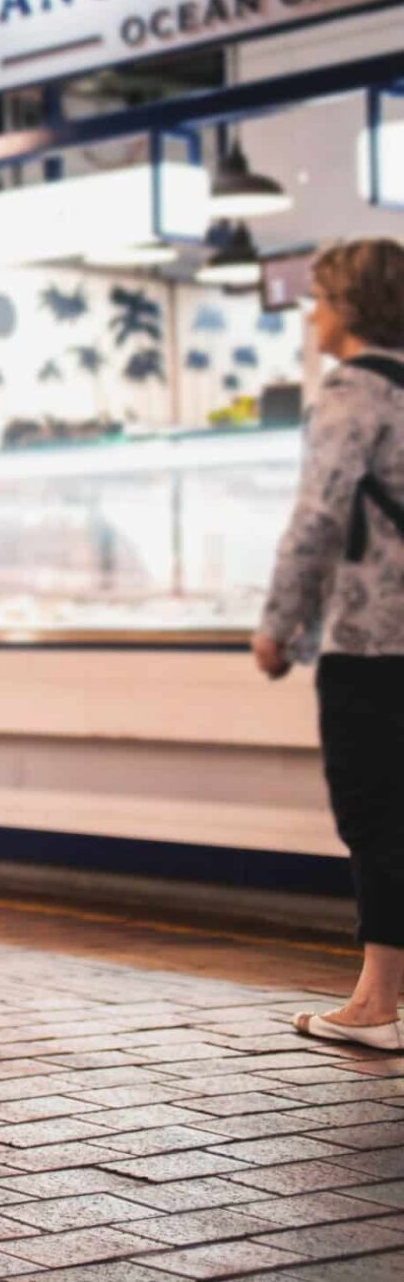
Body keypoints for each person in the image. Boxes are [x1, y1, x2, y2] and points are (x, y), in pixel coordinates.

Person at [258, 237, 404, 1051]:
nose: (310, 314)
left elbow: (316, 518)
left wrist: (278, 622)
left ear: (347, 307)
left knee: (375, 812)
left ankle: (378, 1002)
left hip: (371, 640)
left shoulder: (350, 395)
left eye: (317, 298)